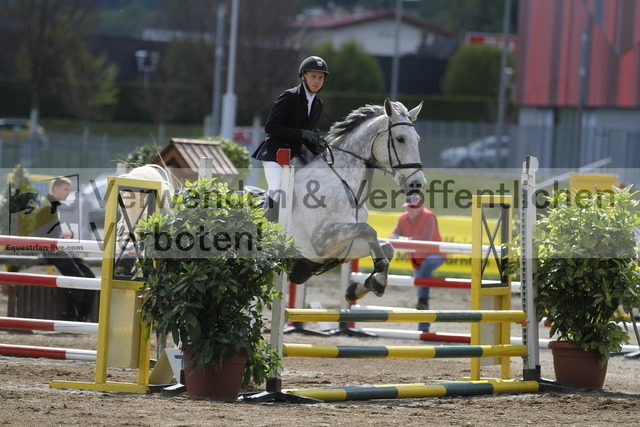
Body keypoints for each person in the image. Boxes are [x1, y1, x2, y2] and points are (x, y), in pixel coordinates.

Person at [251, 55, 329, 221]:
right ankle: (263, 228)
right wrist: (300, 133)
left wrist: (320, 148)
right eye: (313, 76)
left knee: (308, 189)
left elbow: (307, 136)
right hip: (274, 153)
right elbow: (270, 127)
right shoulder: (289, 96)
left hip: (293, 156)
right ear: (303, 76)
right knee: (277, 190)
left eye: (320, 77)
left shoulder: (318, 104)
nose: (317, 81)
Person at [32, 176, 96, 321]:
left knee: (88, 277)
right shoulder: (47, 206)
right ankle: (72, 316)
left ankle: (79, 316)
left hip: (58, 248)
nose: (68, 192)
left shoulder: (50, 205)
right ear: (56, 189)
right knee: (80, 279)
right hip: (54, 250)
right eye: (65, 189)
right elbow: (40, 233)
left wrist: (62, 238)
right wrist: (55, 244)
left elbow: (48, 231)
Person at [389, 194, 447, 332]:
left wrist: (404, 240)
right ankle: (423, 327)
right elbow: (392, 235)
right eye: (409, 207)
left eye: (414, 207)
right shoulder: (403, 218)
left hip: (436, 255)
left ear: (421, 206)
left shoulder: (429, 216)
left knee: (425, 271)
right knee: (420, 286)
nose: (411, 210)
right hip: (417, 259)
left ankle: (422, 301)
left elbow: (426, 237)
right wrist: (397, 237)